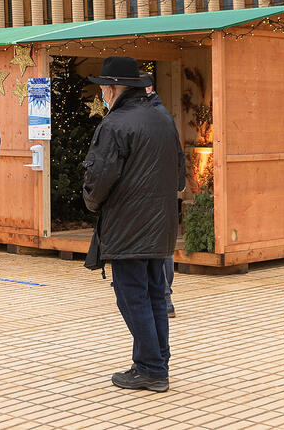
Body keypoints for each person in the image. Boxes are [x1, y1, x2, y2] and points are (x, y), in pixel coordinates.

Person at [82, 57, 184, 393]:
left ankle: (151, 368)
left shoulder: (114, 124)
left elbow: (99, 178)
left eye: (102, 88)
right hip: (160, 224)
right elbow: (180, 171)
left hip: (128, 225)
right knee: (154, 295)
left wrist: (91, 203)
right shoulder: (162, 117)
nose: (101, 94)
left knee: (132, 298)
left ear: (112, 89)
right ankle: (154, 363)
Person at [141, 71, 186, 319]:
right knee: (161, 244)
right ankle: (161, 296)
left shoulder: (156, 115)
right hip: (161, 188)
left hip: (156, 190)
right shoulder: (159, 114)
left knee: (160, 246)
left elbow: (174, 152)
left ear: (148, 89)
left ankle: (164, 297)